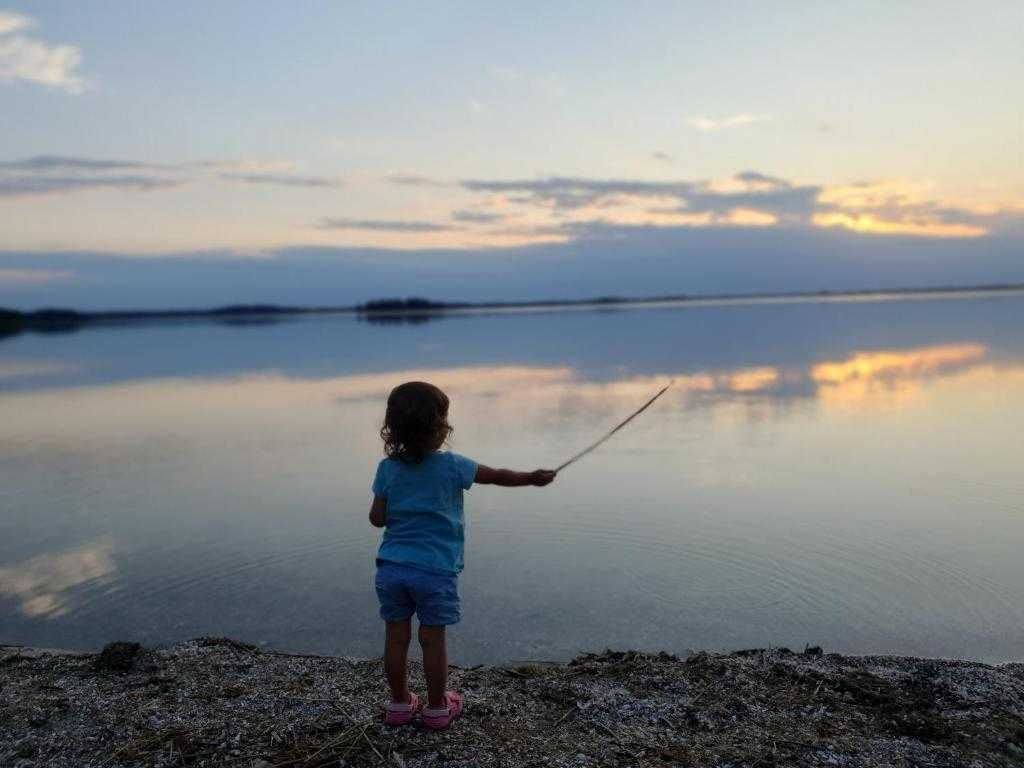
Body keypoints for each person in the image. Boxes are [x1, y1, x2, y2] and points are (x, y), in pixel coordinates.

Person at [369, 381, 556, 729]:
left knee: (396, 637)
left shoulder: (387, 469)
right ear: (440, 428)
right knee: (432, 639)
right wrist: (532, 478)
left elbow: (376, 518)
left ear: (393, 429)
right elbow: (498, 476)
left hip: (391, 569)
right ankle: (437, 708)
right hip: (435, 571)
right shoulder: (452, 466)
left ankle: (398, 705)